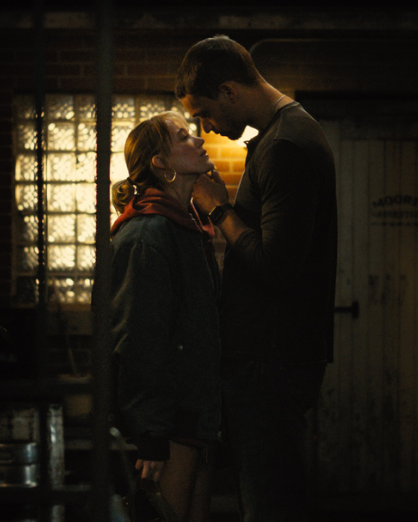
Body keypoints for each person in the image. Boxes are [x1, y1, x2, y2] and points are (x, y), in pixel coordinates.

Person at [175, 35, 338, 522]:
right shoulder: (282, 135)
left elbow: (275, 266)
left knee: (270, 505)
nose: (206, 127)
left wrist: (218, 209)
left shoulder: (285, 145)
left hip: (271, 358)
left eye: (205, 112)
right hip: (273, 355)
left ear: (228, 91)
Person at [109, 111, 221, 522]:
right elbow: (138, 338)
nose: (199, 141)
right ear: (160, 163)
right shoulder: (147, 234)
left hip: (192, 419)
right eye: (183, 137)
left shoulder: (186, 227)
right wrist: (151, 434)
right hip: (170, 425)